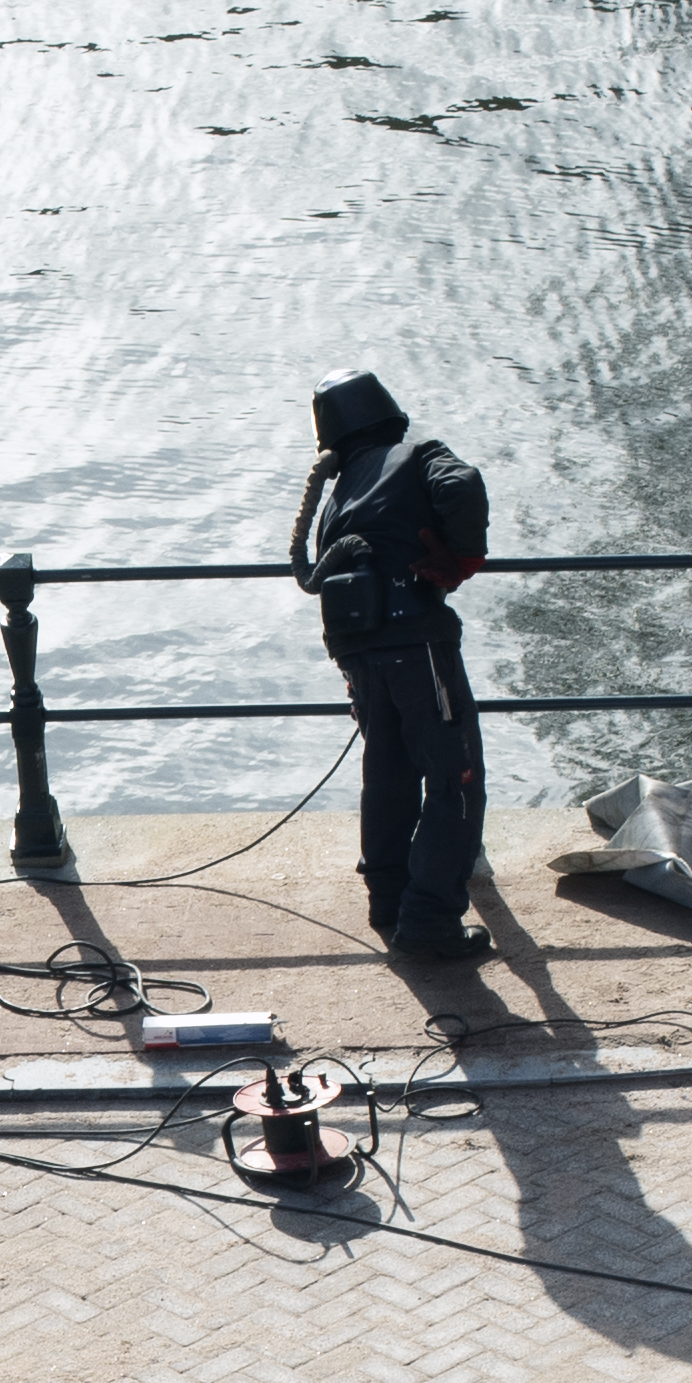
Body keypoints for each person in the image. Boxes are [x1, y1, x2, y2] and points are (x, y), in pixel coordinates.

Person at [293, 374, 494, 963]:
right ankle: (429, 921)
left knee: (387, 773)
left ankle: (389, 899)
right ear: (388, 415)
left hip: (359, 654)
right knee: (456, 779)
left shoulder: (338, 496)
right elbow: (462, 484)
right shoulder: (420, 454)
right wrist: (461, 559)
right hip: (416, 644)